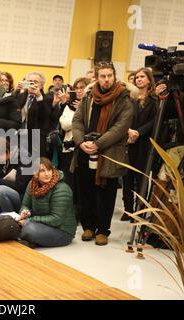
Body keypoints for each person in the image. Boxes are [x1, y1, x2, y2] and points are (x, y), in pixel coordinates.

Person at [71, 61, 133, 246]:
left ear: (114, 76)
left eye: (109, 76)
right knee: (86, 191)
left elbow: (120, 128)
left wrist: (98, 144)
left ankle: (103, 230)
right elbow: (77, 121)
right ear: (97, 78)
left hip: (109, 153)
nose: (106, 80)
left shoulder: (123, 98)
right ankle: (88, 227)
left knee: (107, 193)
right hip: (85, 150)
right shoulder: (88, 97)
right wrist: (81, 142)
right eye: (103, 76)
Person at [121, 68, 157, 221]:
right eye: (136, 77)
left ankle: (140, 210)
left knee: (141, 178)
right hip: (128, 140)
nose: (139, 79)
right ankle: (128, 209)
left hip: (144, 142)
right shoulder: (130, 98)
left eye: (142, 77)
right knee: (126, 177)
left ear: (149, 79)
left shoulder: (155, 100)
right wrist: (128, 131)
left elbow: (154, 121)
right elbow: (123, 116)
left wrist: (138, 132)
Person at [17, 157, 77, 247]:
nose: (47, 174)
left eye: (49, 170)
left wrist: (29, 220)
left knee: (28, 229)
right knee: (22, 226)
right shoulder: (32, 184)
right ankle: (29, 238)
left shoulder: (62, 189)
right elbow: (25, 205)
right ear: (35, 173)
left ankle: (27, 237)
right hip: (43, 225)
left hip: (63, 231)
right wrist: (24, 212)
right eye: (42, 171)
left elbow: (56, 219)